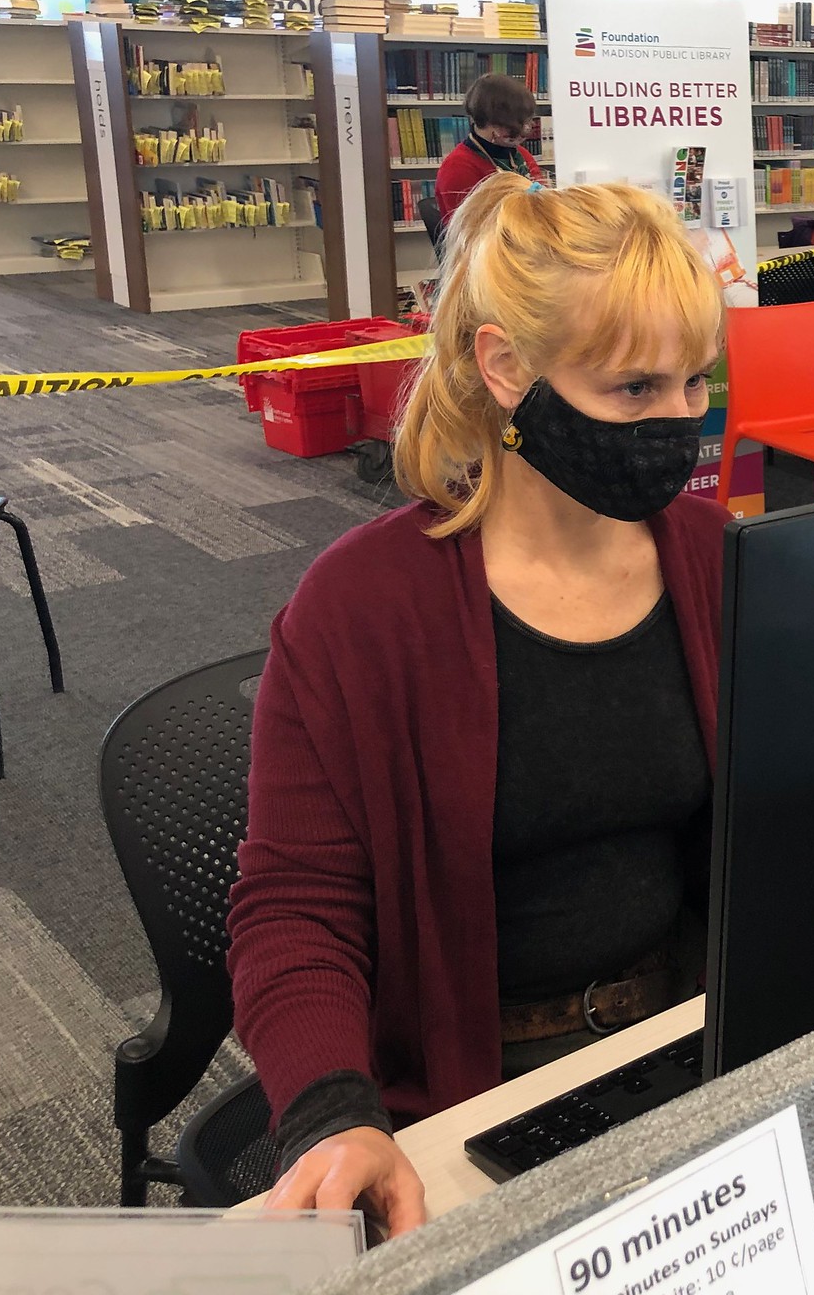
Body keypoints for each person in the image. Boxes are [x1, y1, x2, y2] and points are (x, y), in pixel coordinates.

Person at [228, 173, 728, 1237]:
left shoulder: (714, 558)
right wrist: (329, 1115)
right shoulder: (362, 609)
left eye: (695, 384)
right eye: (634, 390)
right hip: (468, 1096)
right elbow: (294, 907)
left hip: (688, 1042)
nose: (680, 424)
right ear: (506, 368)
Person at [434, 72, 544, 217]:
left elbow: (543, 203)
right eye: (517, 123)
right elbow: (471, 229)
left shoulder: (521, 154)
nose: (526, 129)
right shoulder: (457, 167)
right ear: (491, 123)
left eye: (527, 121)